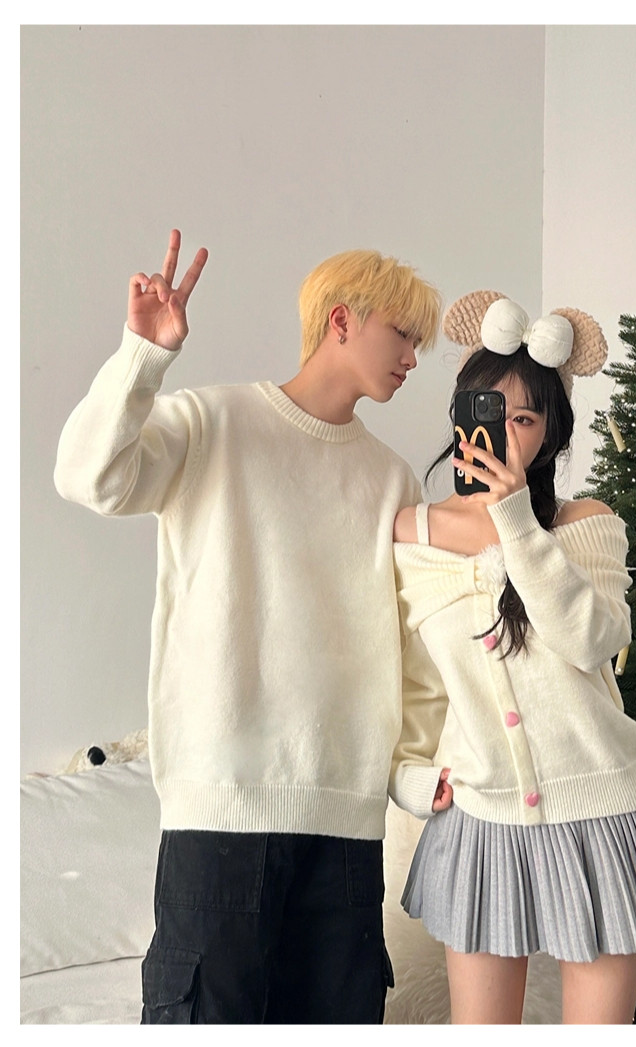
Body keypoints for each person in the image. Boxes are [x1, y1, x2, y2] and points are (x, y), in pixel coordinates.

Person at [54, 230, 441, 1024]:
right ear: (342, 320)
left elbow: (413, 651)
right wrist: (142, 356)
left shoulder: (392, 479)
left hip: (345, 826)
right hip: (219, 810)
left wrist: (410, 773)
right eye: (403, 334)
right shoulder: (212, 422)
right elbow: (89, 476)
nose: (413, 358)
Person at [389, 291, 636, 1025]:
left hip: (605, 814)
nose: (503, 431)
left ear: (551, 434)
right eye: (489, 409)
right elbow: (411, 682)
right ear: (461, 414)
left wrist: (516, 523)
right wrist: (407, 775)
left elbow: (592, 641)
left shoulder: (587, 523)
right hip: (481, 820)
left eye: (524, 418)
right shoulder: (412, 532)